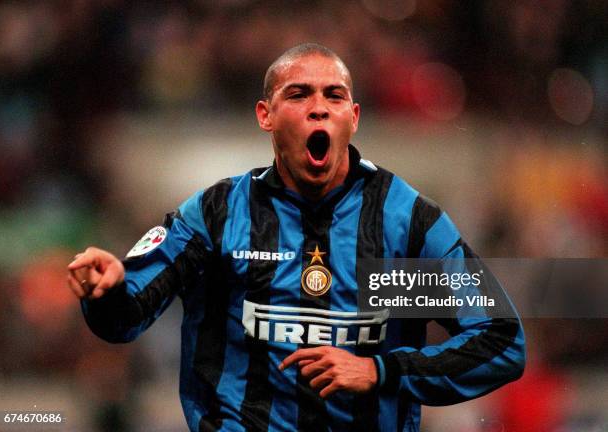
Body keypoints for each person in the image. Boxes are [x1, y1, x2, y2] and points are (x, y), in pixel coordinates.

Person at [68, 43, 525, 432]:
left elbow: (499, 341)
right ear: (266, 115)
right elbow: (123, 318)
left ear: (354, 116)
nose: (319, 106)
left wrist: (380, 369)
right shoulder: (217, 214)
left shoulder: (403, 223)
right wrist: (106, 292)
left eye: (335, 95)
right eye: (299, 94)